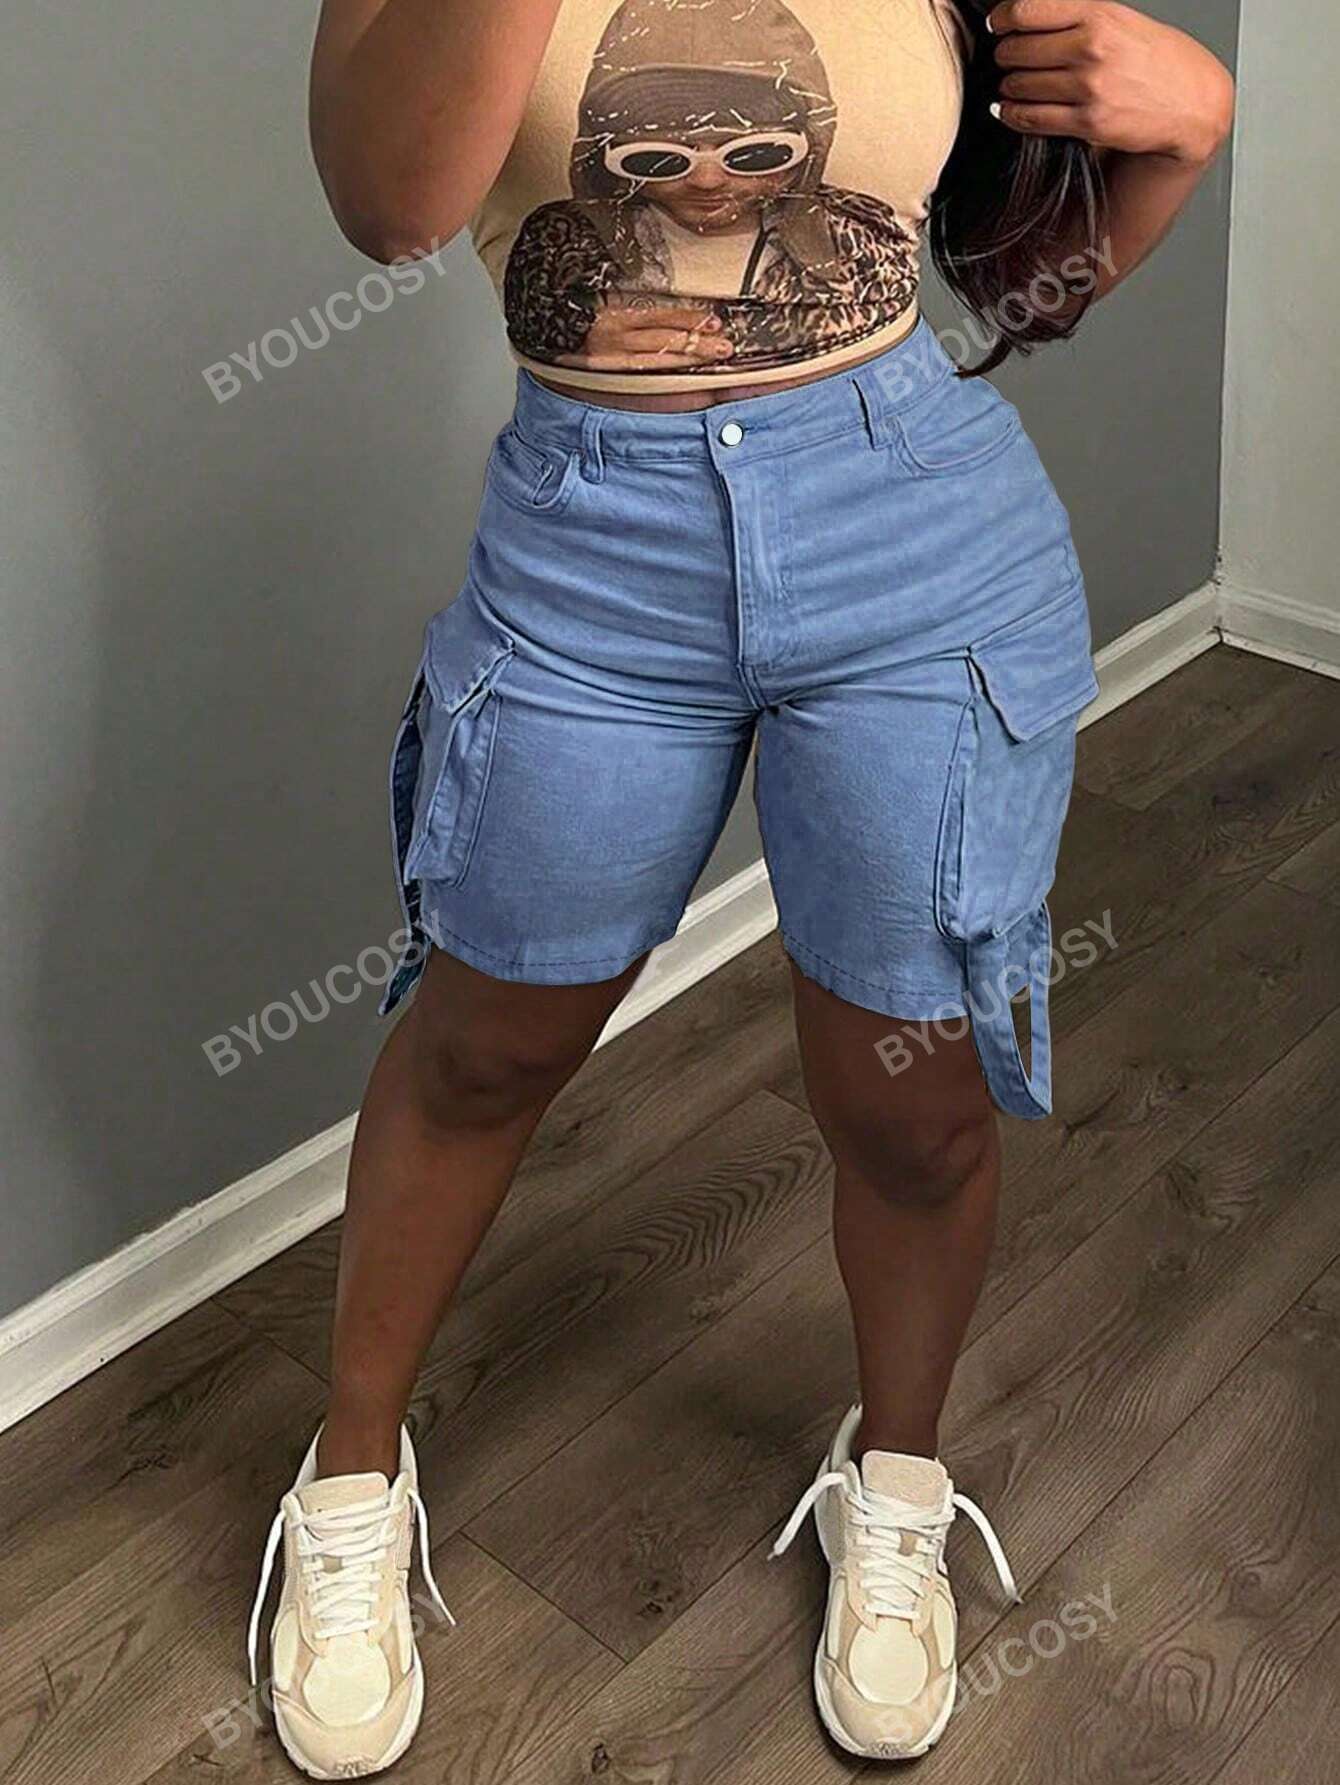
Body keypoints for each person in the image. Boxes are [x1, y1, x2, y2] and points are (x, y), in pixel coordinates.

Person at [246, 0, 1235, 1773]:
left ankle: (896, 1479)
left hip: (915, 537)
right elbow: (393, 203)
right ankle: (350, 1479)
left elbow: (1021, 288)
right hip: (590, 550)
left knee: (911, 1097)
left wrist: (1185, 133)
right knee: (482, 1046)